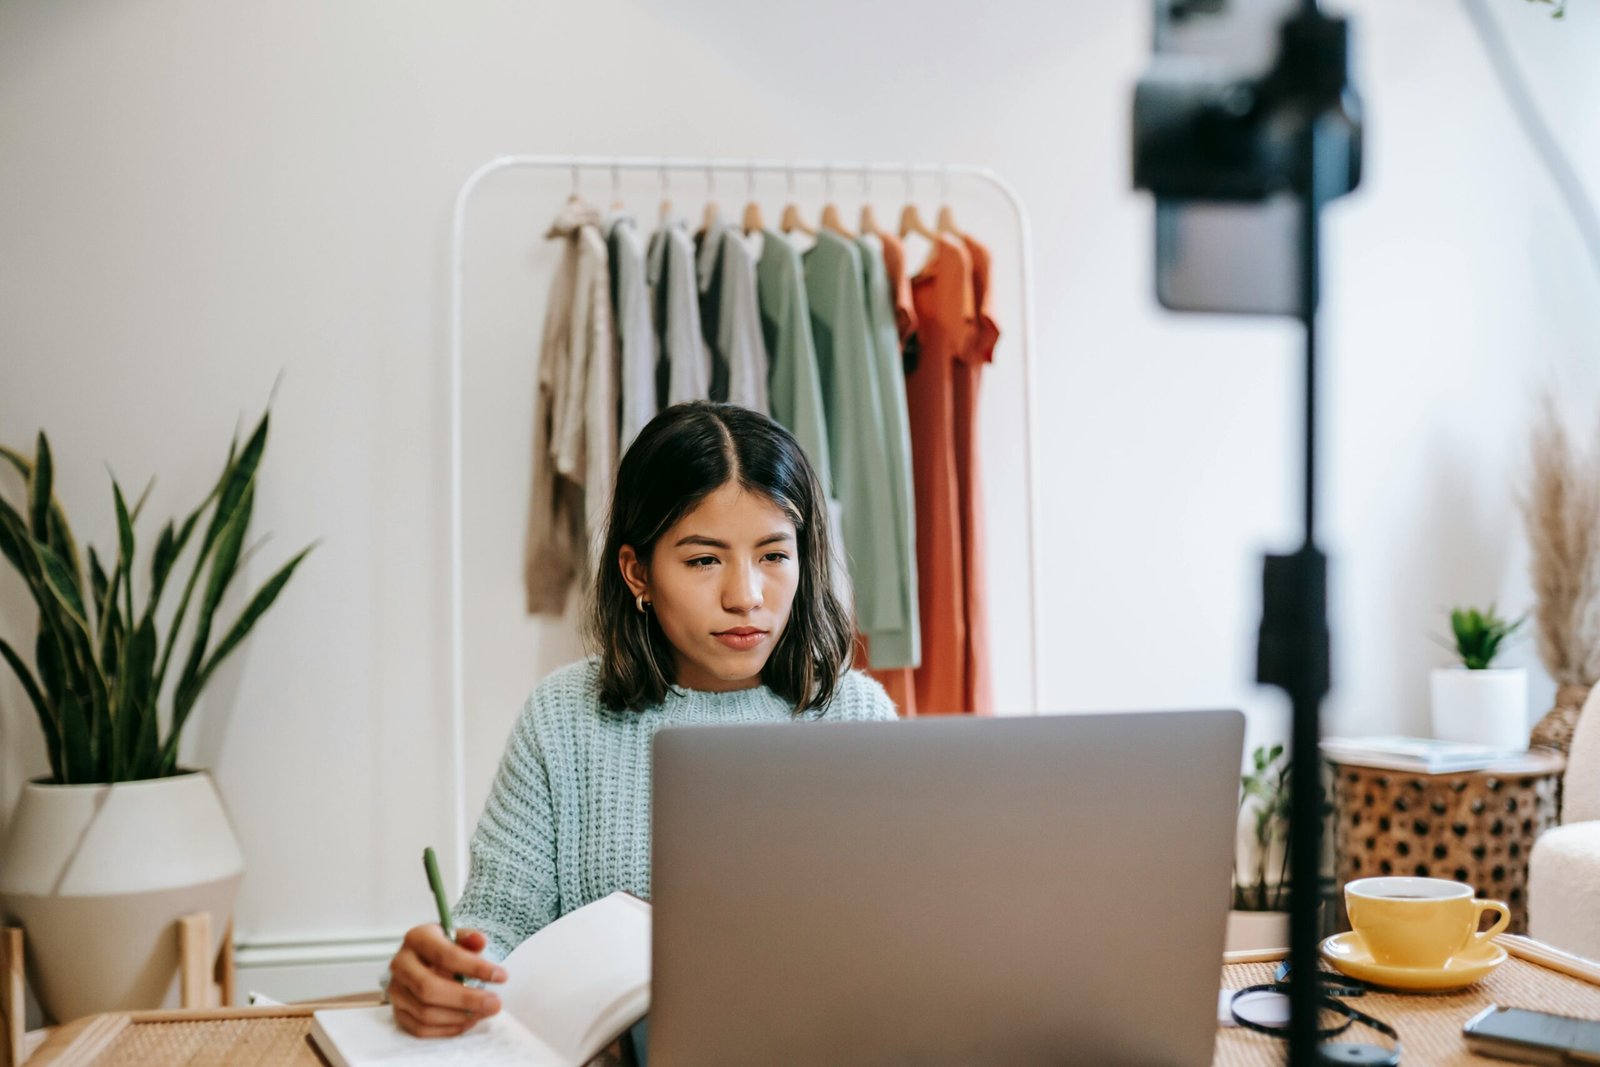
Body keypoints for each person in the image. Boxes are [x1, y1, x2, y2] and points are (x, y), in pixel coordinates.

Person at [385, 401, 899, 1037]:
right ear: (638, 573)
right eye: (704, 560)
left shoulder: (859, 715)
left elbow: (904, 939)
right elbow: (497, 929)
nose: (746, 596)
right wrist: (444, 976)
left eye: (773, 555)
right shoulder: (563, 719)